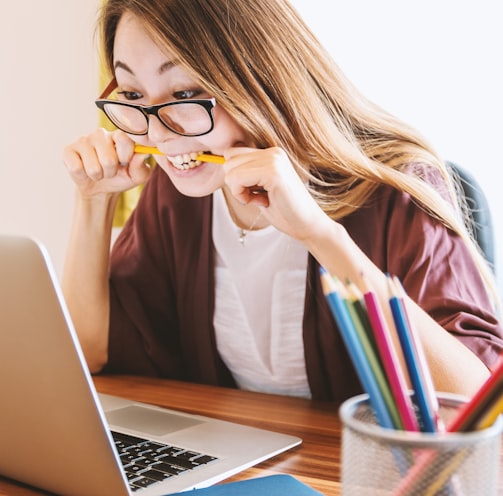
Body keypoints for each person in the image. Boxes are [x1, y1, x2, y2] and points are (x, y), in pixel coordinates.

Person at [62, 0, 503, 403]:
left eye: (185, 94)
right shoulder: (180, 193)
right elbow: (90, 350)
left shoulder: (395, 188)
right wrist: (93, 200)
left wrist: (318, 233)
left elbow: (478, 404)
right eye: (134, 95)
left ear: (258, 77)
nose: (157, 134)